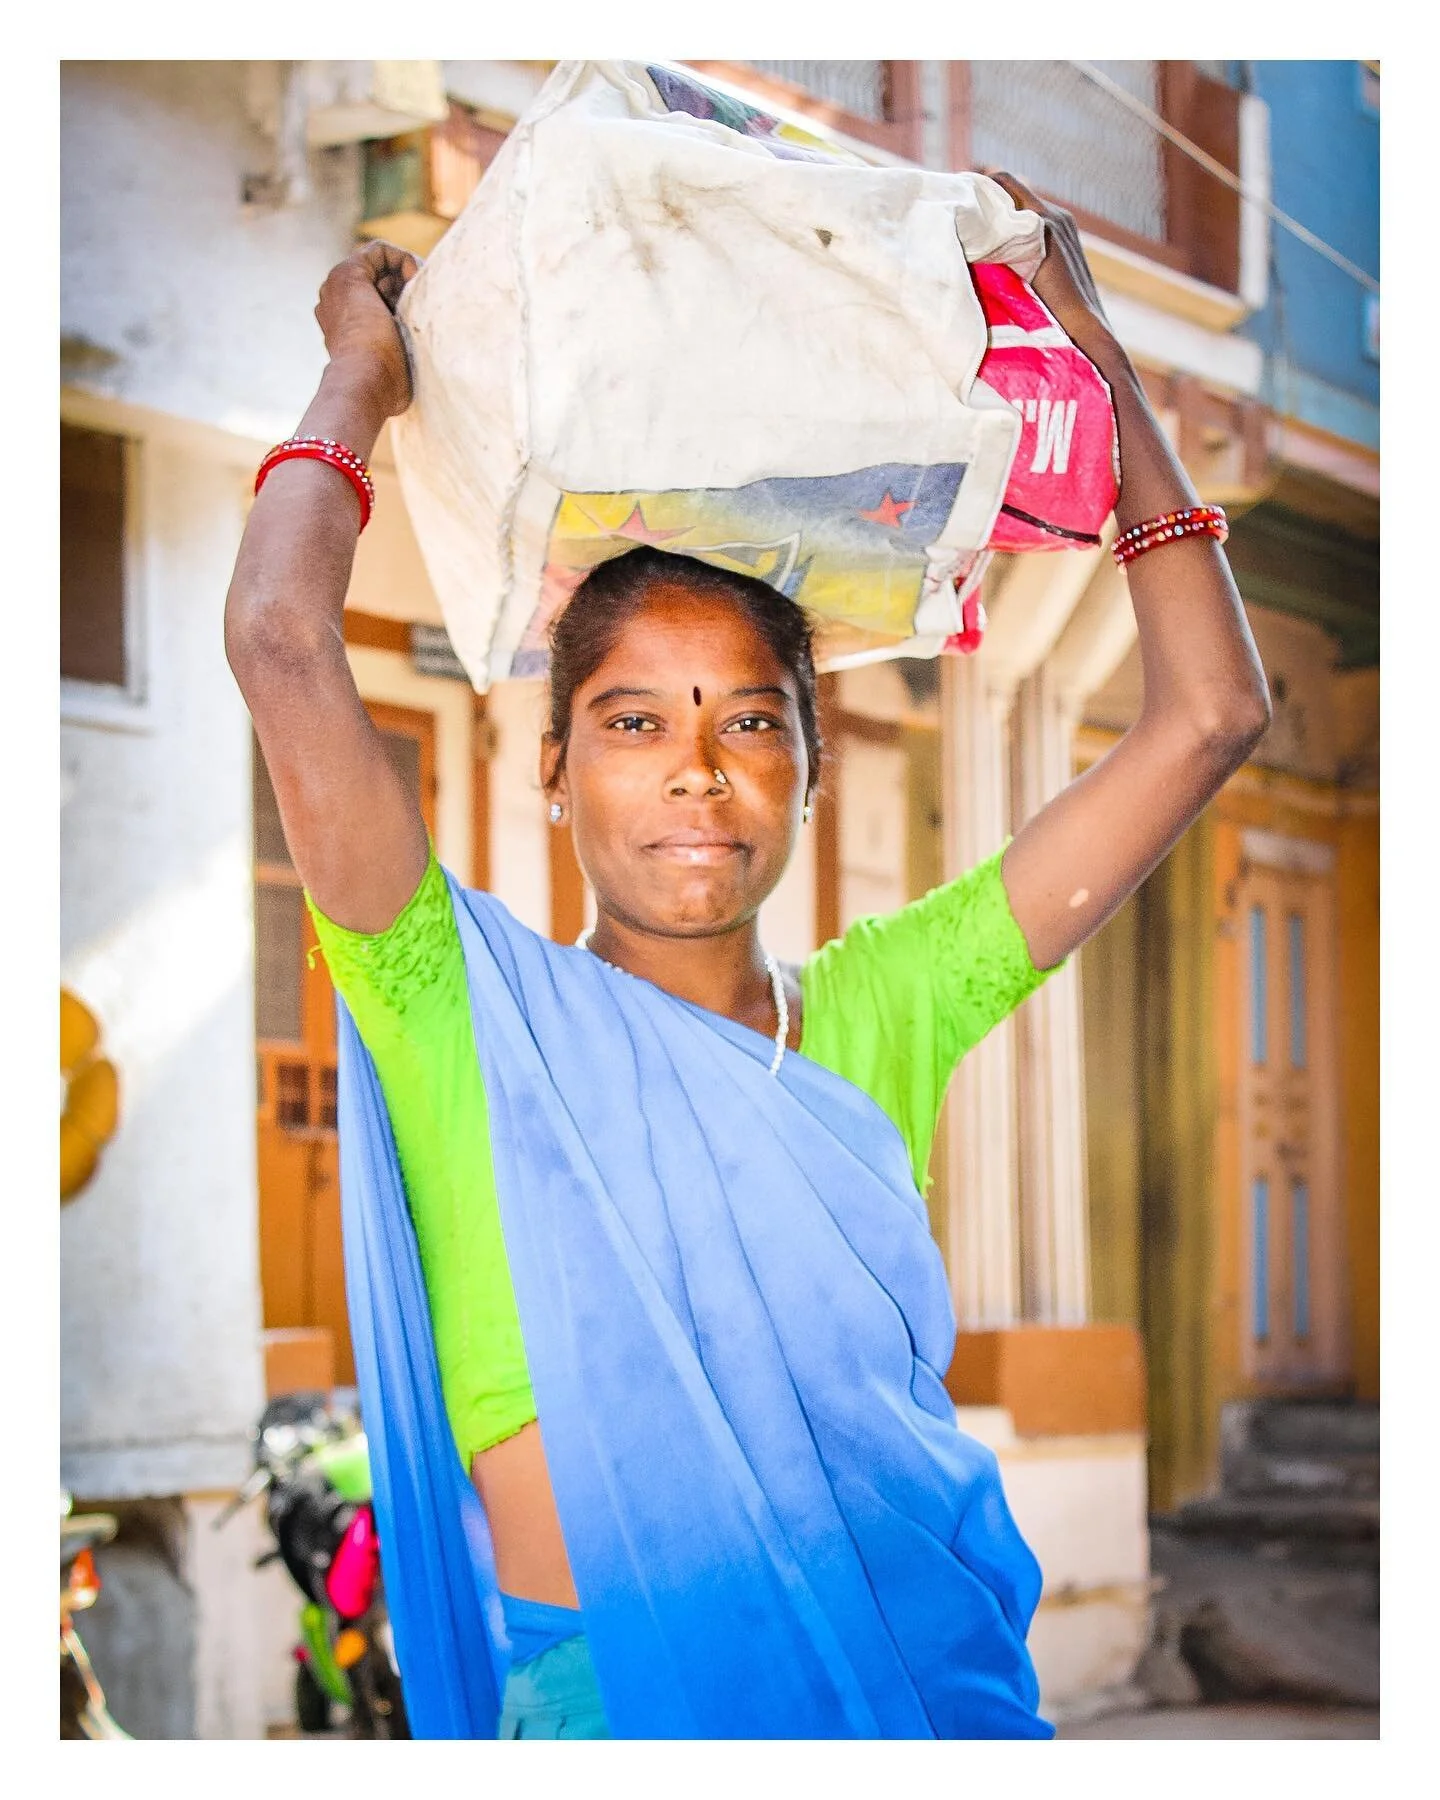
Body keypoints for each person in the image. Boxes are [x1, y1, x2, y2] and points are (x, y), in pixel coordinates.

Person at [225, 170, 1271, 1740]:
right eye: (632, 721)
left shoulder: (889, 999)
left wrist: (1094, 356)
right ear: (557, 772)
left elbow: (1211, 715)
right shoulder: (460, 1007)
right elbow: (281, 639)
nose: (695, 769)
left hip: (919, 1700)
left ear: (807, 769)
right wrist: (360, 380)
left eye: (750, 720)